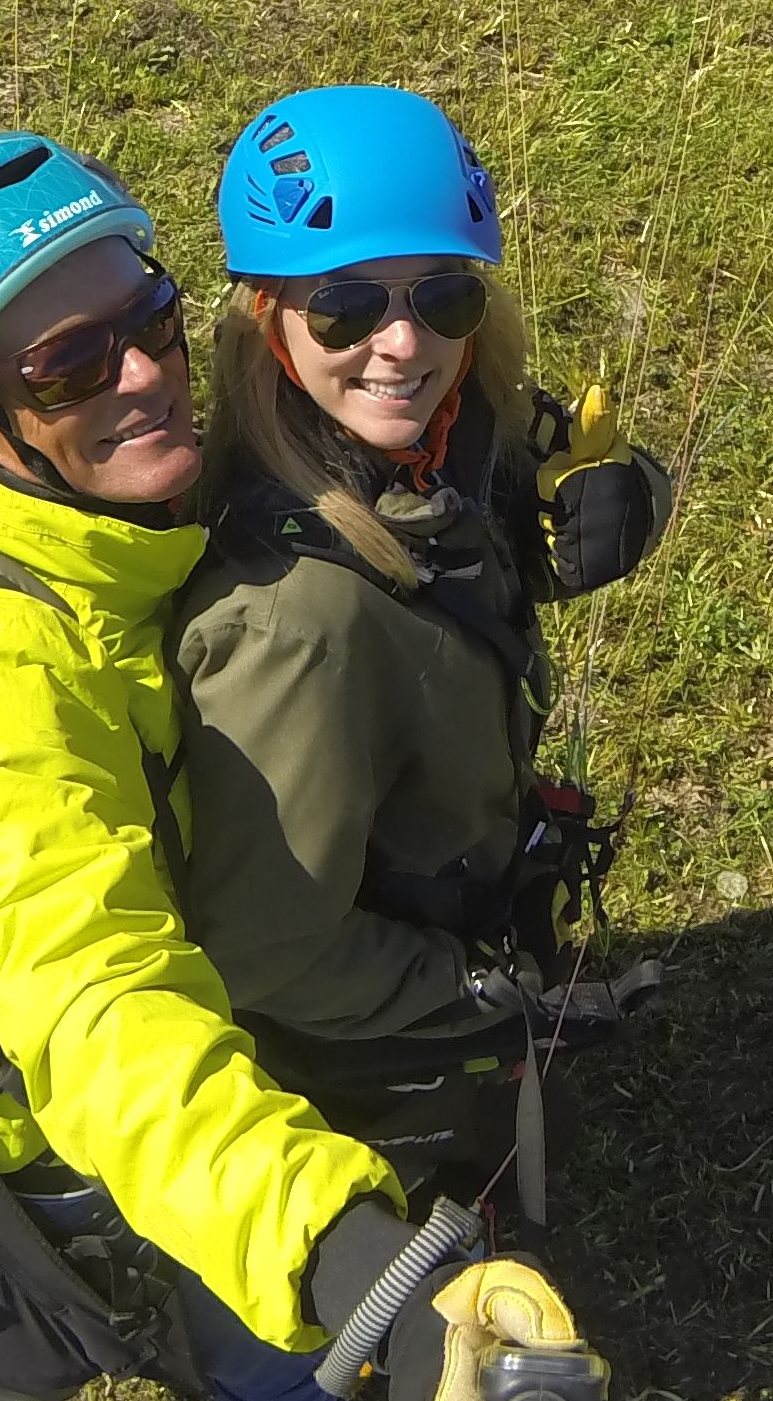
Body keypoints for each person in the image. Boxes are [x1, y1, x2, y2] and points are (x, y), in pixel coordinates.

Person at [0, 129, 507, 1401]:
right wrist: (338, 1247)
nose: (141, 376)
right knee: (262, 1350)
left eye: (148, 325)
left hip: (209, 1019)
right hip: (88, 1136)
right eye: (69, 370)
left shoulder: (99, 522)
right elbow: (96, 1010)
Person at [171, 86, 677, 1210]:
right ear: (270, 318)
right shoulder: (288, 623)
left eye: (443, 295)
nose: (404, 346)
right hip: (376, 1048)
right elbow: (269, 953)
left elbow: (464, 563)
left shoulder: (434, 435)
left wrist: (609, 502)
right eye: (347, 309)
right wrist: (479, 990)